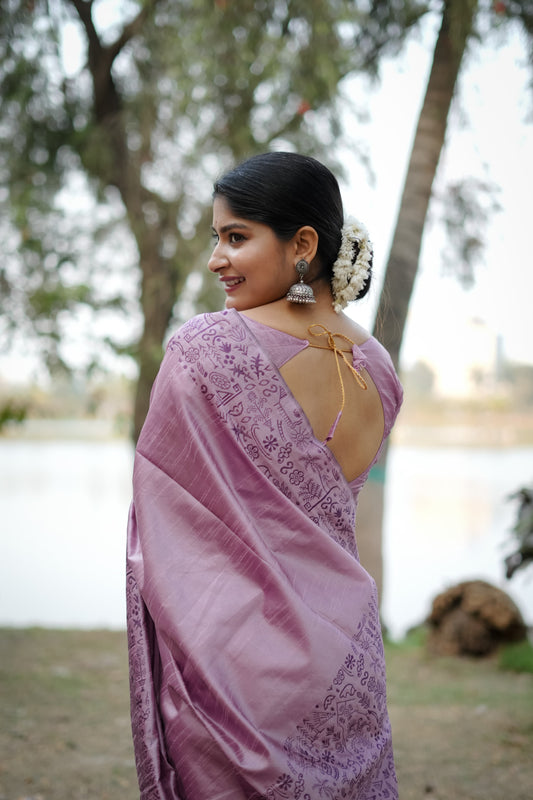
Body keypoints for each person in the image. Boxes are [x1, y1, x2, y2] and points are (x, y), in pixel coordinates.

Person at [126, 152, 403, 800]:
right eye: (217, 239)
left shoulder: (204, 351)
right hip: (345, 660)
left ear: (302, 244)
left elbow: (168, 508)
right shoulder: (381, 369)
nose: (216, 259)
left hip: (237, 666)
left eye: (236, 237)